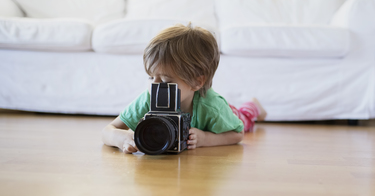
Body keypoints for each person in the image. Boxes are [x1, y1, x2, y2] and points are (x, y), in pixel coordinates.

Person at [102, 23, 267, 154]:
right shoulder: (148, 97)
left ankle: (253, 106)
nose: (155, 85)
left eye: (166, 80)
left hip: (224, 115)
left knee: (243, 118)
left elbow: (237, 134)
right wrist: (120, 138)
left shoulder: (212, 107)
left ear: (197, 82)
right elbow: (108, 130)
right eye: (151, 77)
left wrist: (205, 139)